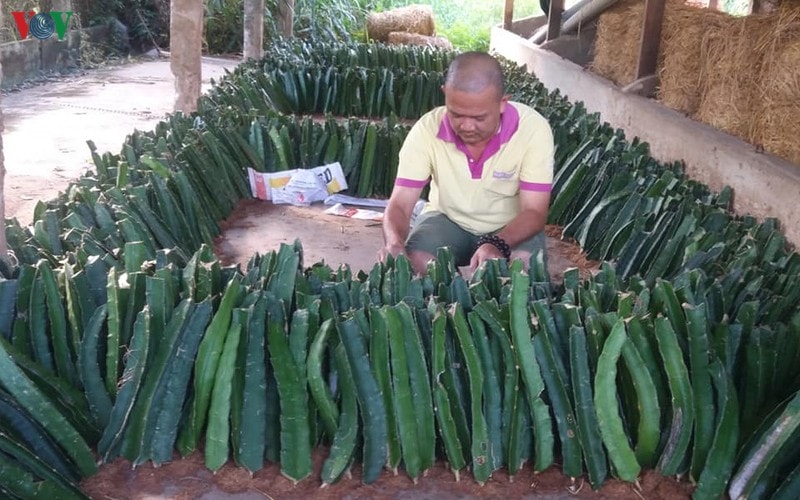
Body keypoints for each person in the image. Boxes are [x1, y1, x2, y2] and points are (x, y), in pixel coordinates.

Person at [378, 51, 555, 276]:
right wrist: (393, 243)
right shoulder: (426, 129)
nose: (467, 126)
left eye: (479, 118)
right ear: (445, 94)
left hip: (509, 227)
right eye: (457, 114)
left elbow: (534, 211)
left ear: (502, 103)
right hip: (447, 220)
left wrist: (497, 243)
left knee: (524, 267)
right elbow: (401, 203)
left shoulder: (533, 130)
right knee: (417, 262)